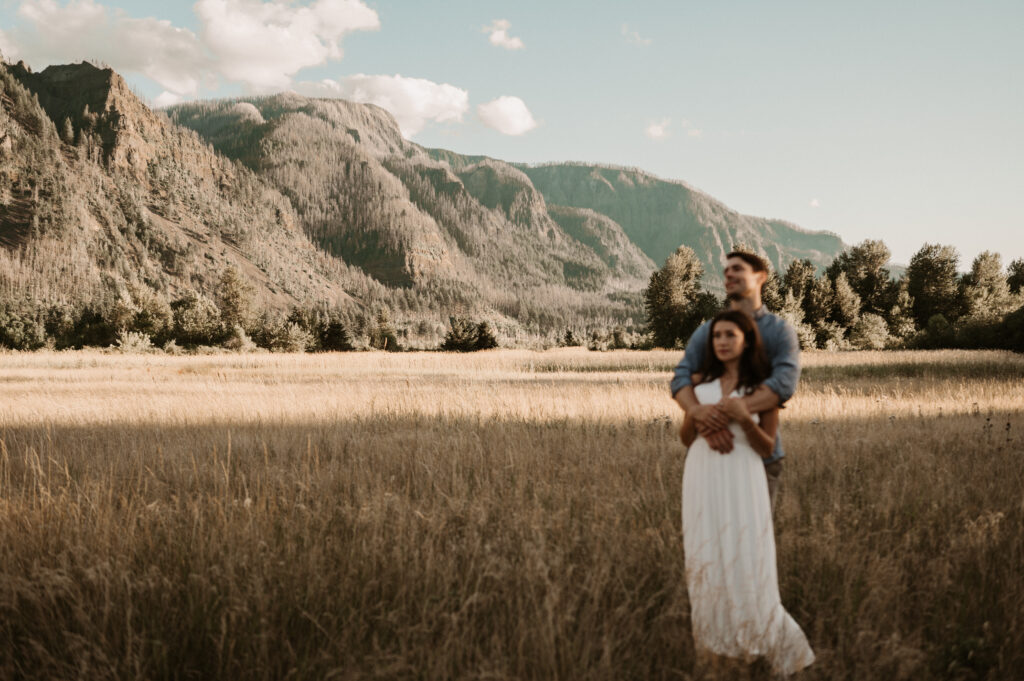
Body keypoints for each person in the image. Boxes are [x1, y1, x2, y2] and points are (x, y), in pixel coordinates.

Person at [680, 309, 814, 675]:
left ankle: (777, 647)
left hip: (744, 476)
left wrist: (740, 415)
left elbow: (767, 447)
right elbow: (684, 438)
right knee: (706, 553)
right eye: (717, 336)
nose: (722, 341)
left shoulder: (762, 390)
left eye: (730, 335)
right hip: (702, 474)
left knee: (747, 555)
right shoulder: (697, 383)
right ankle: (715, 649)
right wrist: (699, 418)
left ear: (746, 341)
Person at [671, 251, 800, 509]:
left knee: (753, 534)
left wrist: (729, 413)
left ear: (760, 276)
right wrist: (698, 413)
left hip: (759, 456)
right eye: (726, 271)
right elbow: (681, 379)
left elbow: (783, 385)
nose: (728, 274)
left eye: (737, 269)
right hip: (708, 451)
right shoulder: (708, 331)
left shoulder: (779, 331)